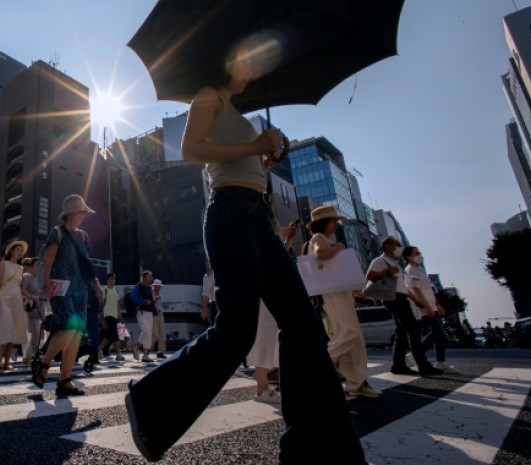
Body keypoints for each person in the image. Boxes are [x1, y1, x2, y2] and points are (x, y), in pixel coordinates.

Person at [124, 52, 366, 464]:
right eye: (246, 59)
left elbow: (237, 158)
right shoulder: (208, 96)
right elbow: (190, 148)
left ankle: (318, 447)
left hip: (258, 217)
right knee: (237, 327)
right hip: (230, 214)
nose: (254, 67)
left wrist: (266, 157)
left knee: (303, 324)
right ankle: (150, 402)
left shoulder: (235, 110)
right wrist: (255, 144)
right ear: (225, 63)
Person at [33, 194, 103, 396]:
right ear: (72, 212)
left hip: (81, 289)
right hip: (59, 288)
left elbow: (86, 263)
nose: (83, 215)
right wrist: (46, 284)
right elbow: (49, 260)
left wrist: (96, 285)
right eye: (81, 211)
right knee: (66, 330)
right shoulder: (57, 233)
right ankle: (44, 364)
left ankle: (65, 380)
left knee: (75, 335)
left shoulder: (82, 236)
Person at [308, 206, 380, 398]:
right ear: (324, 222)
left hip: (340, 293)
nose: (336, 225)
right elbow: (320, 253)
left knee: (352, 340)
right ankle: (320, 363)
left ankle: (356, 384)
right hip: (333, 294)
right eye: (333, 221)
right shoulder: (319, 239)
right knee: (349, 335)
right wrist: (339, 247)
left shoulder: (326, 239)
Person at [367, 236, 443, 377]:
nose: (399, 248)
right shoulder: (380, 261)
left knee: (401, 333)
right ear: (388, 246)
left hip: (402, 298)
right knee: (413, 329)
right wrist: (387, 272)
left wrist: (414, 299)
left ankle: (398, 365)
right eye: (396, 245)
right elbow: (369, 276)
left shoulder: (395, 263)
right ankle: (423, 365)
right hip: (393, 298)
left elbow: (403, 287)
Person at [403, 246, 457, 373]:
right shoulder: (410, 270)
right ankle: (418, 353)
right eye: (416, 253)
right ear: (408, 257)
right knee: (438, 333)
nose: (419, 255)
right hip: (424, 306)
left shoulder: (419, 270)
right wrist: (427, 306)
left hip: (432, 304)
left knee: (439, 333)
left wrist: (437, 304)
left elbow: (430, 289)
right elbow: (416, 289)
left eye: (419, 253)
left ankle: (441, 361)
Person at [0, 241, 31, 370]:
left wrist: (28, 296)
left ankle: (7, 362)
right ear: (11, 251)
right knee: (5, 328)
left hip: (16, 299)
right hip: (4, 297)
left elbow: (20, 287)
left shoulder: (21, 268)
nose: (20, 252)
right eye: (18, 250)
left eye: (21, 251)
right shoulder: (3, 263)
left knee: (14, 330)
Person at [130, 270, 157, 363]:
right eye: (149, 276)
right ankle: (137, 348)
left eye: (151, 277)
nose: (151, 278)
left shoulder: (150, 288)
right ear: (144, 277)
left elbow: (152, 301)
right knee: (146, 331)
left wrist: (155, 309)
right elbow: (132, 297)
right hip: (141, 311)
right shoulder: (138, 287)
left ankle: (145, 356)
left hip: (149, 312)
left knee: (148, 333)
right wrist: (144, 301)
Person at [20, 257, 43, 366]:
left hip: (40, 307)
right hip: (30, 306)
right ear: (32, 267)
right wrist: (32, 296)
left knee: (37, 334)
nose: (39, 267)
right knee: (33, 333)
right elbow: (23, 290)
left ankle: (30, 356)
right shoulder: (27, 277)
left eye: (40, 265)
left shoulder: (42, 279)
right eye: (37, 265)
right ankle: (30, 356)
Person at [99, 273, 126, 361]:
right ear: (107, 280)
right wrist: (102, 319)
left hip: (115, 316)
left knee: (113, 335)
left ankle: (101, 350)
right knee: (114, 334)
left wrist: (120, 316)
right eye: (111, 279)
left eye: (114, 279)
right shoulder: (104, 290)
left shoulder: (115, 291)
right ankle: (117, 354)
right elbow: (101, 305)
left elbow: (117, 306)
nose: (113, 281)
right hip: (108, 315)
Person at [150, 279, 167, 359]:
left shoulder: (159, 293)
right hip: (153, 314)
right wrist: (156, 298)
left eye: (160, 286)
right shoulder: (151, 293)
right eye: (159, 286)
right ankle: (148, 347)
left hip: (160, 314)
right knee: (155, 332)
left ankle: (160, 351)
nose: (160, 288)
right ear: (155, 286)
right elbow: (150, 303)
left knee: (161, 332)